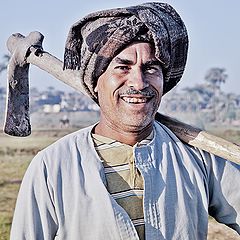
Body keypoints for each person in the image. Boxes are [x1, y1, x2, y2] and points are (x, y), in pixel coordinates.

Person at [10, 2, 240, 240]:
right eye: (122, 67)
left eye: (151, 68)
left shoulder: (200, 158)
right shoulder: (53, 166)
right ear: (96, 81)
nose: (139, 83)